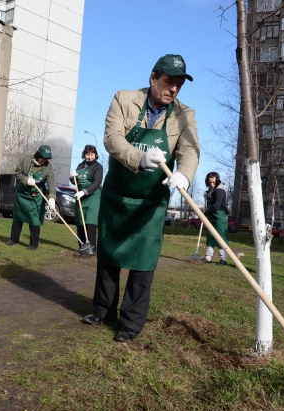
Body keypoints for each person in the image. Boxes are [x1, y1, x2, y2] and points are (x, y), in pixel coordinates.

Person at [82, 54, 200, 342]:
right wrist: (140, 157)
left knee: (144, 262)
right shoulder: (124, 99)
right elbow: (112, 138)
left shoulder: (185, 114)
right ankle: (102, 310)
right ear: (153, 78)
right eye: (169, 82)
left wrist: (184, 174)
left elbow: (189, 150)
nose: (174, 89)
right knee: (109, 256)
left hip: (150, 202)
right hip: (117, 195)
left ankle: (132, 322)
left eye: (179, 85)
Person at [5, 145, 56, 250]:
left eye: (47, 158)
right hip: (22, 194)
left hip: (35, 196)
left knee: (34, 219)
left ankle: (33, 244)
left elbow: (51, 182)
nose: (44, 160)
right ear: (38, 155)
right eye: (43, 158)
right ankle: (14, 239)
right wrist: (26, 180)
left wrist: (52, 197)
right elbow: (17, 173)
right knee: (17, 217)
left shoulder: (48, 167)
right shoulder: (27, 160)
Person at [70, 144, 103, 252]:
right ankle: (82, 246)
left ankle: (92, 247)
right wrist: (72, 178)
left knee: (89, 220)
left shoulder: (98, 167)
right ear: (84, 155)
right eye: (87, 154)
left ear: (95, 155)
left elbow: (96, 182)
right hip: (81, 197)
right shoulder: (80, 166)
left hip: (92, 196)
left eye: (92, 154)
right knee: (80, 221)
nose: (90, 157)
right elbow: (76, 181)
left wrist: (84, 192)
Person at [202, 171, 230, 265]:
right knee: (210, 235)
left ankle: (223, 259)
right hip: (212, 216)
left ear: (217, 181)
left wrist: (205, 213)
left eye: (214, 182)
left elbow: (216, 206)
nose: (212, 184)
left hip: (220, 216)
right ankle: (208, 257)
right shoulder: (210, 191)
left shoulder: (219, 190)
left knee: (220, 237)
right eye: (210, 182)